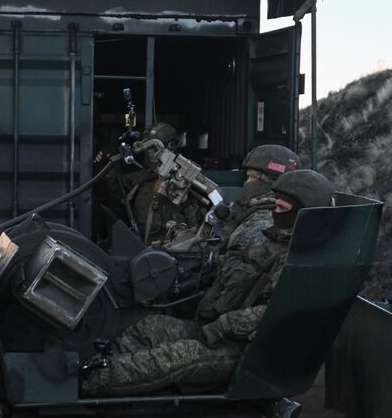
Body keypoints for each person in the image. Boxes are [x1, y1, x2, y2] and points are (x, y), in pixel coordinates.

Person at [82, 169, 335, 397]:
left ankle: (88, 381)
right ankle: (100, 361)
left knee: (169, 359)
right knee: (150, 328)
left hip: (239, 351)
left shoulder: (299, 261)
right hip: (213, 329)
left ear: (304, 213)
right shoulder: (271, 242)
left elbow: (273, 312)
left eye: (281, 209)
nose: (274, 214)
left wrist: (223, 326)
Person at [219, 144, 299, 256]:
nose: (246, 183)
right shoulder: (255, 209)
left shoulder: (262, 222)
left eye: (252, 177)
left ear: (267, 183)